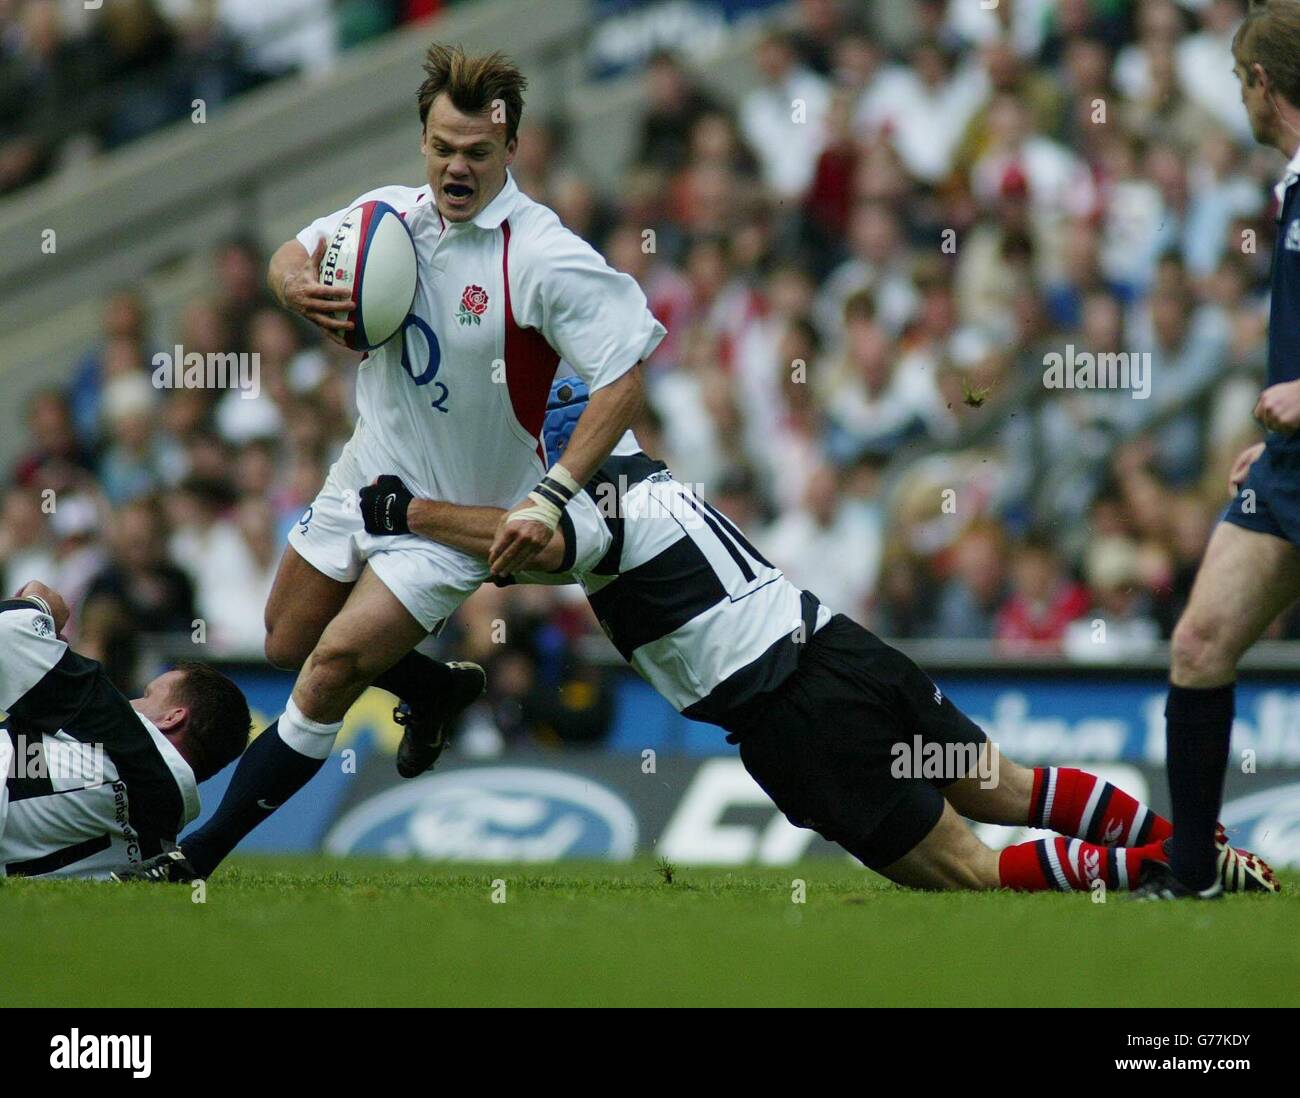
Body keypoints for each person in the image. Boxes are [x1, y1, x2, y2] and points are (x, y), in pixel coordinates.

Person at [349, 378, 1278, 894]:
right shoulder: (654, 475)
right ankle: (1195, 846)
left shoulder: (589, 499)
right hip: (840, 647)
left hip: (792, 708)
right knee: (1005, 786)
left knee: (962, 869)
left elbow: (537, 542)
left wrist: (412, 510)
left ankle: (1170, 866)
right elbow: (548, 555)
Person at [132, 43, 664, 882]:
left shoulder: (541, 253)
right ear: (422, 141)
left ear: (511, 149)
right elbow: (290, 252)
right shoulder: (385, 216)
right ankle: (436, 689)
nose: (458, 167)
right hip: (365, 474)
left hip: (453, 514)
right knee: (285, 640)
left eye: (478, 153)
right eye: (443, 148)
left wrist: (554, 493)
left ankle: (194, 860)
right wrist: (294, 286)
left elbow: (625, 376)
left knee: (333, 665)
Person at [1135, 1, 1300, 899]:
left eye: (1239, 80)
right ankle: (1191, 876)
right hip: (1287, 472)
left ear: (1261, 84)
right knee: (1199, 643)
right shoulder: (1292, 185)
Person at [0, 580, 249, 879]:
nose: (129, 702)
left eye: (147, 695)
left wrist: (41, 605)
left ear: (172, 717)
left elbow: (7, 632)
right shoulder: (155, 843)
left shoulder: (128, 739)